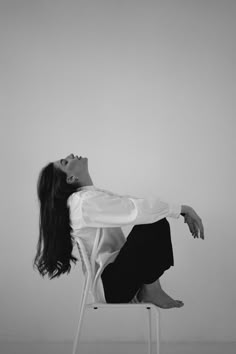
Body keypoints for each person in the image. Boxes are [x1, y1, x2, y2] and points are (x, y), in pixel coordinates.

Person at [33, 153, 205, 309]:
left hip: (115, 281)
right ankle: (152, 290)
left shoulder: (86, 198)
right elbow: (138, 209)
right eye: (65, 161)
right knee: (154, 221)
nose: (70, 155)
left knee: (154, 217)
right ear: (70, 178)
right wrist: (183, 209)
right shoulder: (82, 202)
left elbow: (130, 203)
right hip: (113, 287)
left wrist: (178, 209)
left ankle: (151, 289)